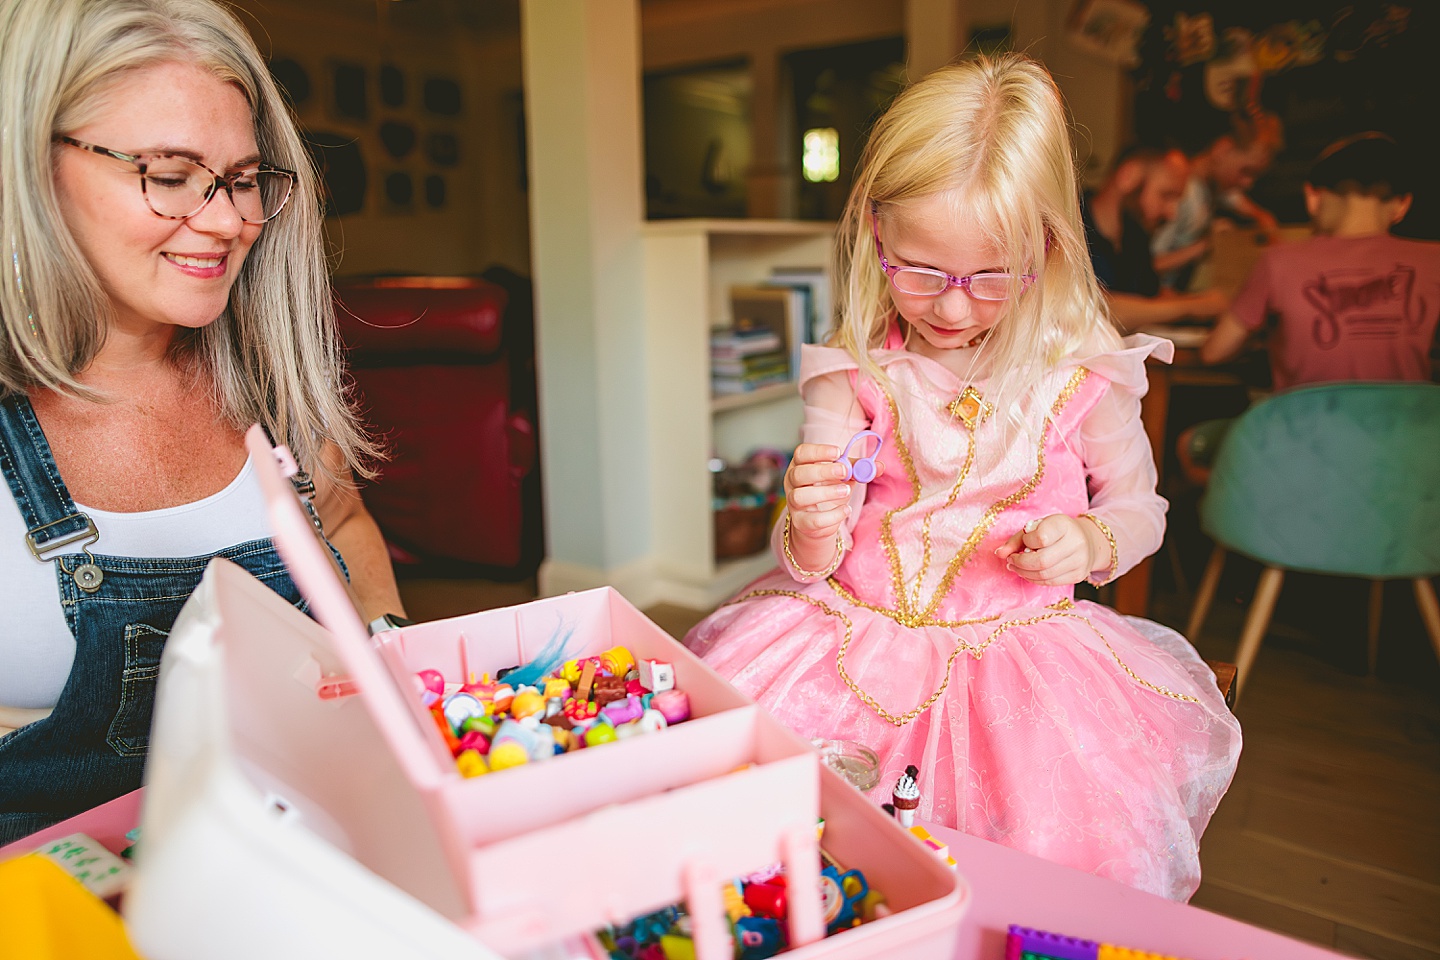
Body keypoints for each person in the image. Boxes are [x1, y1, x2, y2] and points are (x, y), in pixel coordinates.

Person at [685, 54, 1240, 901]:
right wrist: (807, 521)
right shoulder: (855, 365)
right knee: (792, 857)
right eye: (921, 272)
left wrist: (1091, 538)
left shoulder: (1085, 370)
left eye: (990, 277)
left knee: (1027, 875)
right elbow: (808, 560)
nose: (950, 308)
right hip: (845, 641)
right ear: (876, 233)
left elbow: (1143, 510)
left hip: (1025, 669)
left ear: (1046, 247)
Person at [0, 0, 406, 844]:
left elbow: (343, 519)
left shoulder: (265, 386)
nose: (227, 222)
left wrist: (394, 660)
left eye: (243, 178)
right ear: (31, 164)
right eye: (169, 173)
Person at [1201, 132, 1440, 387]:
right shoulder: (1434, 260)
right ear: (1403, 204)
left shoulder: (1279, 261)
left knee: (1204, 430)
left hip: (1306, 425)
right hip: (1408, 424)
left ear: (1313, 197)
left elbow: (1214, 352)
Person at [1082, 145, 1228, 332]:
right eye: (1166, 195)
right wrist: (1191, 307)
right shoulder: (1069, 225)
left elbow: (1150, 296)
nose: (1172, 213)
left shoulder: (1135, 238)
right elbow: (1094, 309)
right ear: (1129, 176)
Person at [1152, 110, 1284, 291]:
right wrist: (1206, 245)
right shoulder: (1183, 195)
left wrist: (1261, 217)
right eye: (1246, 171)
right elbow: (1150, 265)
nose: (1248, 183)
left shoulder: (1211, 187)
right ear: (1222, 150)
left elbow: (1239, 202)